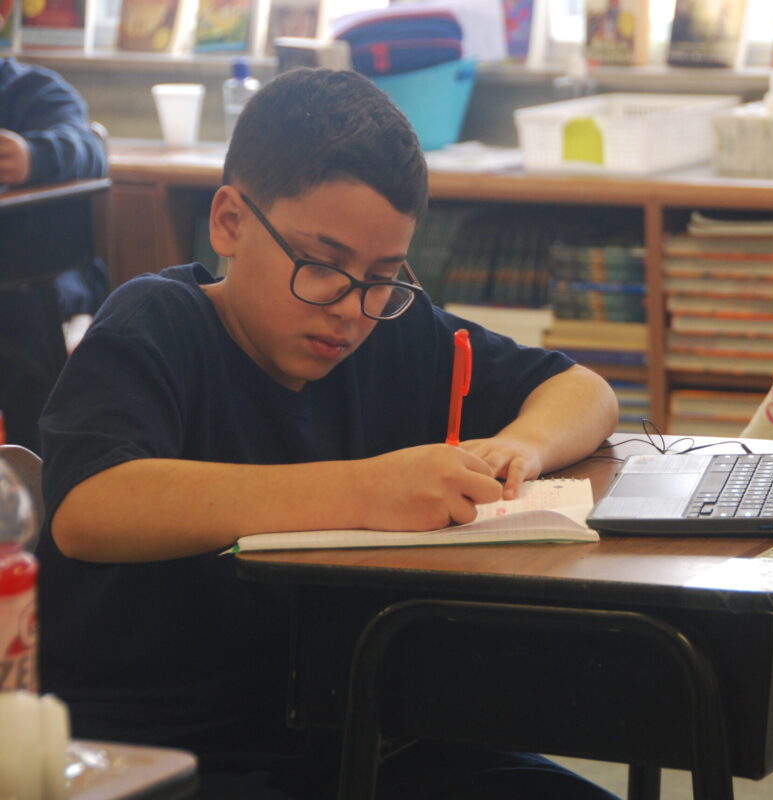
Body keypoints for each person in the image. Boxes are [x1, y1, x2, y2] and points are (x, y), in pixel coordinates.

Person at [36, 67, 620, 799]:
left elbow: (583, 391)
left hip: (360, 740)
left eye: (384, 275)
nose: (351, 308)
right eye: (322, 264)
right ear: (230, 222)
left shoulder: (386, 331)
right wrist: (365, 489)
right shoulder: (155, 323)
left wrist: (518, 446)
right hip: (157, 754)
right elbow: (92, 508)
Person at [0, 52, 108, 451]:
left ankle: (37, 468)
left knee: (18, 317)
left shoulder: (33, 91)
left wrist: (34, 156)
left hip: (42, 272)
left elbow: (89, 148)